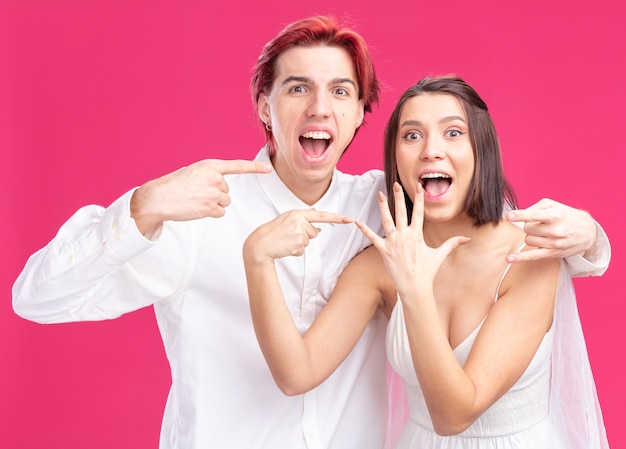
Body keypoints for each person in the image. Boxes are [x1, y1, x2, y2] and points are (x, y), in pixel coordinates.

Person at [12, 15, 608, 449]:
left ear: (358, 115)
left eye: (341, 92)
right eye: (297, 88)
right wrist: (142, 208)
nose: (320, 108)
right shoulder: (191, 212)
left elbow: (498, 229)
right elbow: (34, 298)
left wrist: (590, 234)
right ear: (264, 106)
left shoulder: (385, 207)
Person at [243, 76, 609, 448]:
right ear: (395, 158)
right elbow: (297, 373)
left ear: (481, 149)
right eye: (412, 136)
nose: (431, 150)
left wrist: (414, 287)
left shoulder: (528, 257)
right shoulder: (378, 266)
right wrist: (256, 259)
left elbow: (455, 415)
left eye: (453, 133)